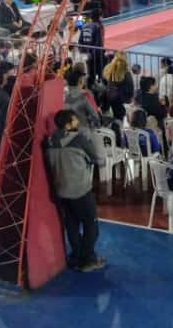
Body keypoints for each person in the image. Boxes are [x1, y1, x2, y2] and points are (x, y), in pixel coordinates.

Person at [46, 109, 106, 272]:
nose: (77, 121)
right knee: (91, 225)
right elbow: (98, 160)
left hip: (61, 190)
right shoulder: (80, 139)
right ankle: (87, 260)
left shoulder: (49, 141)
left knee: (71, 225)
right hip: (80, 190)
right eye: (74, 119)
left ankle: (76, 255)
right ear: (67, 124)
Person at [102, 51, 134, 121]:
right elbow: (130, 89)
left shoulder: (108, 68)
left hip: (109, 95)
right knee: (119, 116)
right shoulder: (127, 73)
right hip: (120, 99)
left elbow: (104, 81)